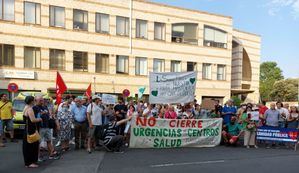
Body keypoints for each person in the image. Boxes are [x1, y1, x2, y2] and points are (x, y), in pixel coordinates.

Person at [23, 96, 43, 168]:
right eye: (34, 100)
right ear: (31, 101)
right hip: (31, 129)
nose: (35, 101)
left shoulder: (25, 107)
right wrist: (40, 119)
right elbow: (33, 120)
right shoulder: (30, 109)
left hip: (27, 128)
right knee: (32, 145)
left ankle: (28, 162)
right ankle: (30, 162)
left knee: (27, 145)